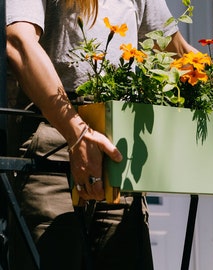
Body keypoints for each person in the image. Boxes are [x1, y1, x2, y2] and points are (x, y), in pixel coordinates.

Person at [6, 0, 197, 269]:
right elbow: (18, 43)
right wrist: (78, 135)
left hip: (118, 143)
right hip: (55, 135)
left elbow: (179, 54)